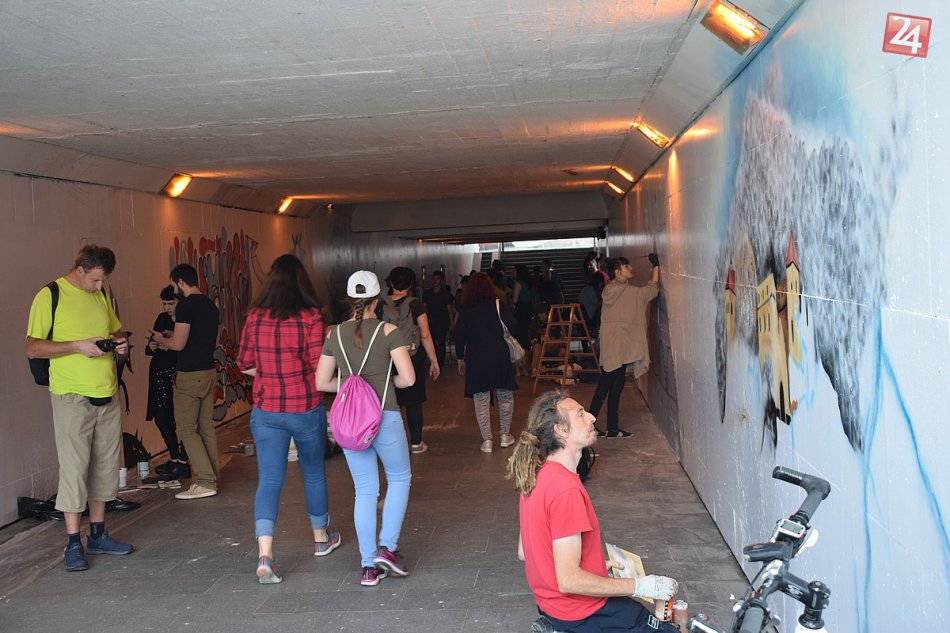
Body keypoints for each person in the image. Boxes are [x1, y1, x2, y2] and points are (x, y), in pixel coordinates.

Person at [507, 391, 680, 633]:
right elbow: (569, 580)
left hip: (551, 607)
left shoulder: (537, 475)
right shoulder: (566, 489)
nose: (591, 417)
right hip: (582, 612)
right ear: (561, 430)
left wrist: (596, 566)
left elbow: (525, 551)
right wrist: (640, 586)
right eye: (580, 414)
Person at [25, 245, 133, 571]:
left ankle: (98, 533)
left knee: (104, 466)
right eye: (95, 279)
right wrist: (76, 346)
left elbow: (114, 329)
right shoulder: (50, 295)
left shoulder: (100, 296)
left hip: (106, 395)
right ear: (80, 269)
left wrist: (120, 342)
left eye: (103, 281)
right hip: (71, 396)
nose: (99, 286)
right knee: (74, 469)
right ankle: (73, 541)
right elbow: (32, 348)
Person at [237, 254, 340, 584]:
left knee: (269, 480)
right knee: (313, 472)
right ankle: (321, 540)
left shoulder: (255, 316)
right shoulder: (311, 316)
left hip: (266, 410)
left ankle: (265, 556)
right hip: (305, 406)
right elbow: (318, 365)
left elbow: (244, 364)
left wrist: (270, 376)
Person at [316, 270, 416, 587]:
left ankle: (368, 566)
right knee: (399, 478)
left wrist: (350, 387)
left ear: (349, 299)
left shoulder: (334, 334)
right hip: (385, 416)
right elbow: (408, 379)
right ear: (377, 299)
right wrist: (381, 385)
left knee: (364, 490)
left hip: (350, 423)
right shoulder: (389, 331)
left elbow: (322, 382)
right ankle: (387, 548)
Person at [159, 263, 221, 500]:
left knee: (186, 429)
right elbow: (211, 340)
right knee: (205, 427)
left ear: (181, 282)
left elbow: (178, 344)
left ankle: (205, 481)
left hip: (189, 375)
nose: (174, 289)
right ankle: (213, 478)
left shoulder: (185, 305)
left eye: (174, 284)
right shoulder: (210, 305)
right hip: (208, 371)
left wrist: (162, 340)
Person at [589, 255, 660, 438]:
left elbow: (648, 292)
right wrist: (656, 267)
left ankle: (612, 428)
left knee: (615, 385)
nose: (631, 268)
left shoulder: (611, 291)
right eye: (626, 266)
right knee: (606, 386)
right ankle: (589, 425)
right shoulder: (628, 292)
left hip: (613, 347)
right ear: (617, 271)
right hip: (620, 348)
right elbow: (651, 291)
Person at [454, 272, 519, 453]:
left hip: (476, 358)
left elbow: (459, 336)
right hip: (499, 354)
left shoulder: (466, 310)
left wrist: (460, 358)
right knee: (505, 396)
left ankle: (487, 440)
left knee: (481, 399)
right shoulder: (498, 305)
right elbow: (513, 324)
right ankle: (505, 435)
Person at [379, 266, 440, 455]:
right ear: (411, 284)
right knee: (414, 402)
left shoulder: (380, 305)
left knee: (389, 404)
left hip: (387, 360)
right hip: (412, 358)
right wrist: (434, 361)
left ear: (390, 283)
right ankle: (416, 443)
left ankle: (391, 444)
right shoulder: (416, 305)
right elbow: (425, 334)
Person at [145, 285, 189, 482]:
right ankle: (175, 457)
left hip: (177, 374)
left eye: (171, 303)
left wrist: (169, 342)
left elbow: (188, 347)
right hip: (160, 372)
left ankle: (183, 461)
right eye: (164, 304)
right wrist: (153, 344)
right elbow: (150, 346)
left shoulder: (186, 319)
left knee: (183, 419)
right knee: (162, 418)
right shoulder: (162, 318)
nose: (167, 308)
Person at [422, 270, 454, 369]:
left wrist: (452, 322)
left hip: (441, 322)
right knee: (431, 343)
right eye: (434, 279)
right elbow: (424, 308)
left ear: (441, 281)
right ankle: (434, 361)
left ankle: (440, 363)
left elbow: (449, 309)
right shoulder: (427, 293)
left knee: (441, 343)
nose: (435, 281)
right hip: (430, 322)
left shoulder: (445, 294)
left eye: (437, 279)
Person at [512, 264, 536, 351]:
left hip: (521, 308)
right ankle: (527, 349)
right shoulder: (529, 283)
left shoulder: (518, 284)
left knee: (519, 331)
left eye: (514, 270)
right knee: (525, 330)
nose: (512, 272)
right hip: (529, 308)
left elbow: (515, 300)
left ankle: (520, 350)